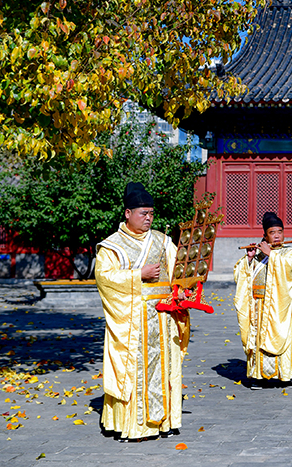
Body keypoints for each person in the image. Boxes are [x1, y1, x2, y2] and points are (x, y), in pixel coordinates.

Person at [95, 182, 189, 441]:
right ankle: (135, 427)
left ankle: (164, 423)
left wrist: (180, 289)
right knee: (135, 370)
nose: (148, 219)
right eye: (143, 214)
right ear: (127, 213)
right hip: (133, 320)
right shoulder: (111, 246)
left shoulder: (162, 240)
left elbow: (177, 271)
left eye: (151, 214)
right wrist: (139, 275)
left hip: (162, 318)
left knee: (164, 368)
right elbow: (105, 278)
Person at [232, 212, 292, 387]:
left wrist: (271, 254)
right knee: (257, 339)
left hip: (279, 306)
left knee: (281, 335)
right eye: (272, 232)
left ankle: (284, 375)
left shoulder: (289, 252)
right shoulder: (258, 253)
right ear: (265, 235)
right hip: (258, 306)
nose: (277, 235)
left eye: (280, 231)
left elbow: (288, 268)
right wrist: (248, 259)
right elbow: (241, 275)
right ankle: (258, 376)